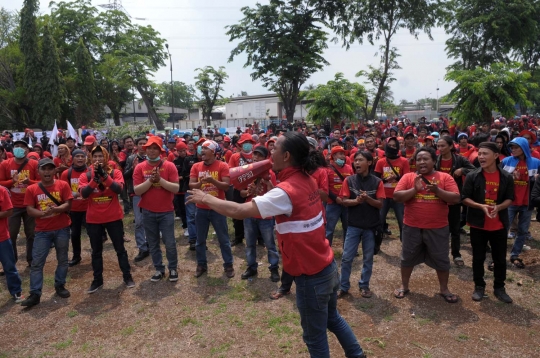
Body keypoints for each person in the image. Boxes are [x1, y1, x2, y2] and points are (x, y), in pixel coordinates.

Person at [187, 132, 365, 358]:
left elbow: (240, 211)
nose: (270, 151)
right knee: (333, 318)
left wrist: (206, 198)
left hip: (310, 276)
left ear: (287, 155)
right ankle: (357, 354)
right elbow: (284, 199)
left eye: (275, 148)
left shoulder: (286, 191)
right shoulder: (306, 179)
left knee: (315, 336)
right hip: (327, 266)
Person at [393, 147, 461, 303]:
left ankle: (444, 289)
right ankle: (404, 285)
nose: (422, 162)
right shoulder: (408, 177)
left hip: (438, 227)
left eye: (425, 159)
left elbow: (456, 198)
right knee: (407, 257)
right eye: (419, 159)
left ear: (434, 161)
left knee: (441, 258)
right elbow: (397, 197)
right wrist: (414, 189)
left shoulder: (445, 177)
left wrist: (438, 191)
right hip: (412, 226)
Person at [462, 142, 514, 303]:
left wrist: (498, 207)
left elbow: (510, 198)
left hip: (499, 225)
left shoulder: (506, 177)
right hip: (478, 224)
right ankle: (479, 286)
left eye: (485, 154)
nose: (481, 157)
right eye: (480, 154)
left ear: (496, 156)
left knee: (499, 258)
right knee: (478, 257)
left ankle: (499, 287)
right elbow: (464, 198)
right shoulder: (473, 176)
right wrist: (480, 206)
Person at [79, 146, 135, 293]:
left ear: (106, 157)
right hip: (94, 219)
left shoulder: (115, 172)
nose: (98, 159)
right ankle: (97, 280)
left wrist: (105, 176)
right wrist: (94, 181)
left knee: (120, 249)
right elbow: (84, 194)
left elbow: (118, 189)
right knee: (96, 251)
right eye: (95, 156)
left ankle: (127, 276)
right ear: (91, 158)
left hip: (113, 217)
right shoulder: (86, 174)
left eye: (100, 156)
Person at [20, 158, 73, 307]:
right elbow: (29, 209)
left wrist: (57, 209)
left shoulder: (62, 185)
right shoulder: (32, 189)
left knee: (62, 259)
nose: (47, 171)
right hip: (42, 231)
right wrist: (42, 214)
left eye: (50, 168)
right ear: (38, 172)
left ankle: (60, 285)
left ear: (55, 170)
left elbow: (68, 203)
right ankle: (35, 293)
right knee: (37, 263)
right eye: (44, 169)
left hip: (62, 228)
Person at [338, 151, 384, 299]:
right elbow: (344, 201)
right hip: (353, 225)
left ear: (369, 163)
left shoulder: (377, 182)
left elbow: (380, 205)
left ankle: (364, 285)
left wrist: (368, 199)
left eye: (360, 160)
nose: (356, 163)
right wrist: (356, 201)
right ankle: (343, 286)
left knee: (368, 258)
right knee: (346, 257)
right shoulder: (349, 181)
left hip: (371, 227)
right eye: (355, 160)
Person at [134, 136, 180, 282]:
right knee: (153, 243)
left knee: (170, 242)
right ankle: (159, 269)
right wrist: (150, 181)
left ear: (160, 150)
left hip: (166, 211)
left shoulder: (169, 166)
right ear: (145, 149)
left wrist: (160, 180)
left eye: (155, 148)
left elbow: (175, 187)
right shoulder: (140, 167)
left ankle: (172, 268)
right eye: (149, 148)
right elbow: (137, 191)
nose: (152, 151)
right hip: (148, 211)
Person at [189, 140, 235, 278]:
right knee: (200, 240)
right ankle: (201, 264)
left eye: (205, 148)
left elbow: (226, 186)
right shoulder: (196, 166)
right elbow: (191, 185)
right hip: (201, 208)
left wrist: (213, 181)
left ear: (213, 151)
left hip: (218, 208)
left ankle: (228, 265)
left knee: (223, 239)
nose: (201, 151)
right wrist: (200, 183)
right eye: (200, 149)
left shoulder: (222, 165)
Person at [239, 146, 280, 281]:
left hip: (265, 215)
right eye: (254, 155)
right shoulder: (248, 173)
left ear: (265, 159)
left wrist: (267, 183)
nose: (256, 158)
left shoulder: (270, 174)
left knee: (270, 244)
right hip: (250, 213)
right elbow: (242, 193)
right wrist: (250, 191)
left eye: (259, 156)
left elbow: (275, 194)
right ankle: (251, 267)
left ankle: (274, 269)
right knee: (250, 243)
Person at [435, 136, 475, 266]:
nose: (440, 149)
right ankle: (439, 254)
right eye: (438, 146)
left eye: (443, 146)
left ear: (451, 146)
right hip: (438, 199)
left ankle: (456, 254)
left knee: (455, 229)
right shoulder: (436, 160)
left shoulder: (460, 159)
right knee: (439, 228)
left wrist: (462, 170)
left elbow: (475, 170)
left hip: (454, 198)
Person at [501, 137, 540, 269]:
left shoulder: (536, 162)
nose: (513, 150)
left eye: (516, 147)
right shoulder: (506, 161)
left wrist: (536, 179)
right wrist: (510, 178)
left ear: (523, 147)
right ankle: (499, 254)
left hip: (527, 203)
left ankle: (515, 254)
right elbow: (498, 179)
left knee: (523, 230)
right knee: (503, 228)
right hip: (510, 202)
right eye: (511, 147)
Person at [0, 139, 40, 266]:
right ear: (12, 149)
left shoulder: (34, 164)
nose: (19, 148)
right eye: (16, 146)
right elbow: (0, 183)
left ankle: (31, 260)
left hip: (30, 204)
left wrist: (30, 183)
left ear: (27, 150)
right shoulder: (5, 164)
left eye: (22, 146)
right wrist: (12, 181)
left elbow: (41, 182)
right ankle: (11, 261)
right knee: (11, 235)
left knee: (31, 234)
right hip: (12, 205)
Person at [374, 137, 409, 240]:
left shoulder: (404, 161)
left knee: (402, 222)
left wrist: (396, 177)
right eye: (390, 145)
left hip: (398, 196)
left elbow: (407, 178)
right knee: (379, 221)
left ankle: (405, 245)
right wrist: (385, 180)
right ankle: (376, 245)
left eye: (394, 145)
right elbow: (376, 179)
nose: (392, 147)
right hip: (383, 196)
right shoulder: (381, 162)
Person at [60, 149, 90, 267]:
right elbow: (62, 190)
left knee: (93, 233)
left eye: (82, 156)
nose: (80, 159)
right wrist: (75, 194)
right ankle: (76, 256)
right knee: (75, 234)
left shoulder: (91, 171)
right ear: (72, 158)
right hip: (74, 209)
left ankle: (96, 254)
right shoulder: (66, 173)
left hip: (89, 208)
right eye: (77, 156)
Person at [123, 137, 150, 262]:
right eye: (140, 144)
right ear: (136, 145)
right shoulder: (131, 158)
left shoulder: (152, 159)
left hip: (151, 192)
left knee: (150, 220)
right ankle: (142, 247)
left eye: (145, 143)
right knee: (139, 222)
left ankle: (150, 243)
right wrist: (133, 168)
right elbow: (125, 176)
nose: (143, 145)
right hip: (136, 193)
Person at [228, 133, 256, 247]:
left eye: (249, 143)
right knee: (237, 213)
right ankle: (238, 237)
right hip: (238, 188)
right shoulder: (235, 157)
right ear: (240, 144)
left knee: (256, 212)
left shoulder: (256, 155)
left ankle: (259, 237)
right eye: (245, 143)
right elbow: (230, 172)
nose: (247, 145)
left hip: (254, 188)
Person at [0, 184, 24, 303]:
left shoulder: (1, 190)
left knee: (9, 266)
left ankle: (16, 291)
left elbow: (9, 211)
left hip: (2, 237)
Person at [326, 145, 354, 246]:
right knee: (329, 229)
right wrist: (335, 198)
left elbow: (352, 184)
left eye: (344, 154)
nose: (343, 156)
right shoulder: (328, 169)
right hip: (332, 204)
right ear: (334, 155)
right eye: (340, 154)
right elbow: (325, 188)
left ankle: (348, 248)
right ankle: (327, 249)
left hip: (346, 203)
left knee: (348, 228)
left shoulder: (349, 168)